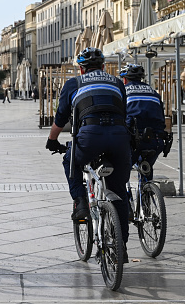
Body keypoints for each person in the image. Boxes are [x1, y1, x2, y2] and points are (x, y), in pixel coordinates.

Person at [46, 47, 131, 260]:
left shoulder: (73, 84)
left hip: (90, 135)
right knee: (118, 191)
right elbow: (124, 112)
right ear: (103, 67)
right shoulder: (118, 82)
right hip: (120, 136)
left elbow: (60, 118)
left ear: (81, 69)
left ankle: (81, 202)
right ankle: (121, 248)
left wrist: (52, 141)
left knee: (70, 161)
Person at [119, 64, 167, 180]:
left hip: (133, 140)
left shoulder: (123, 91)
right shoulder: (153, 92)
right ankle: (147, 190)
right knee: (147, 167)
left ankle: (124, 195)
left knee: (121, 171)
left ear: (124, 79)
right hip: (156, 140)